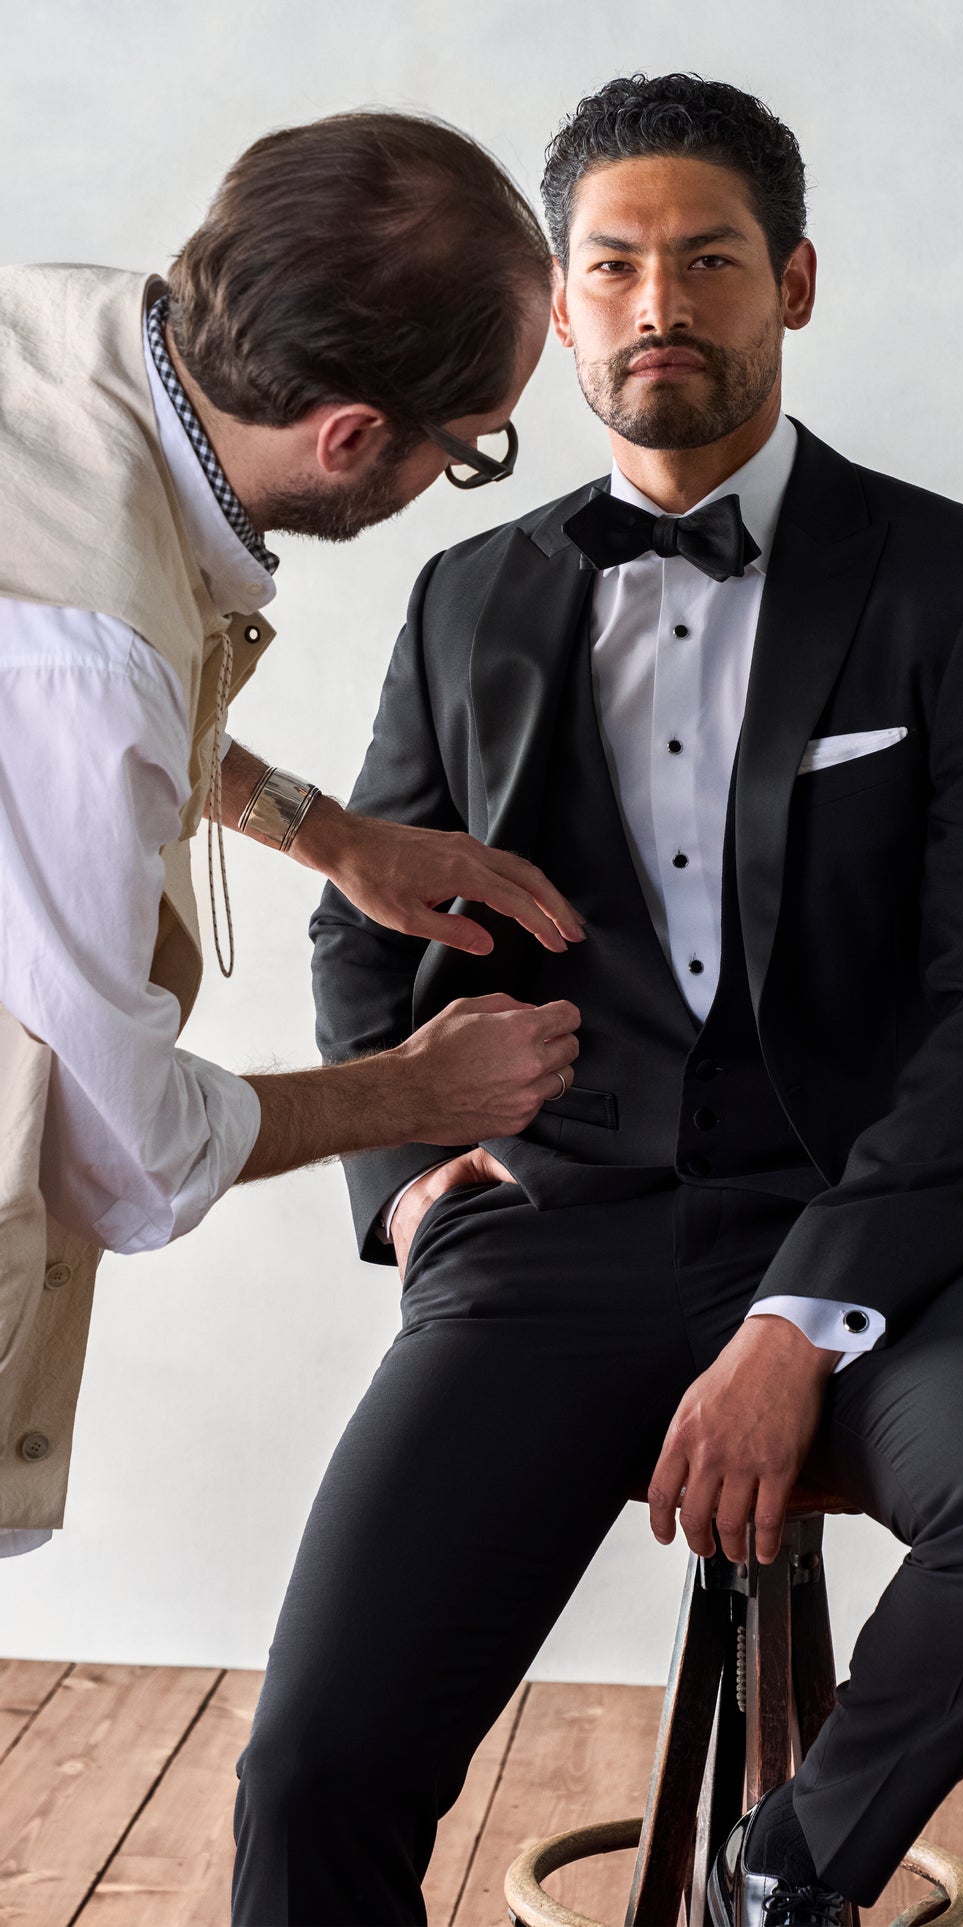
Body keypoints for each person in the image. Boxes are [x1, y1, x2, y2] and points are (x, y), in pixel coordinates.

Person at [233, 75, 963, 1926]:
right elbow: (363, 914)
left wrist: (800, 1317)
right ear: (556, 312)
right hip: (552, 1224)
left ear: (792, 284)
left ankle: (785, 1870)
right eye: (614, 266)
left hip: (888, 1220)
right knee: (313, 1776)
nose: (662, 301)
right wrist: (404, 1190)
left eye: (711, 259)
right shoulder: (468, 596)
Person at [0, 110, 585, 1558]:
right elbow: (120, 1158)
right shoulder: (86, 661)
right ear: (351, 437)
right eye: (473, 448)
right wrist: (409, 1092)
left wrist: (327, 834)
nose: (468, 473)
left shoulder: (70, 332)